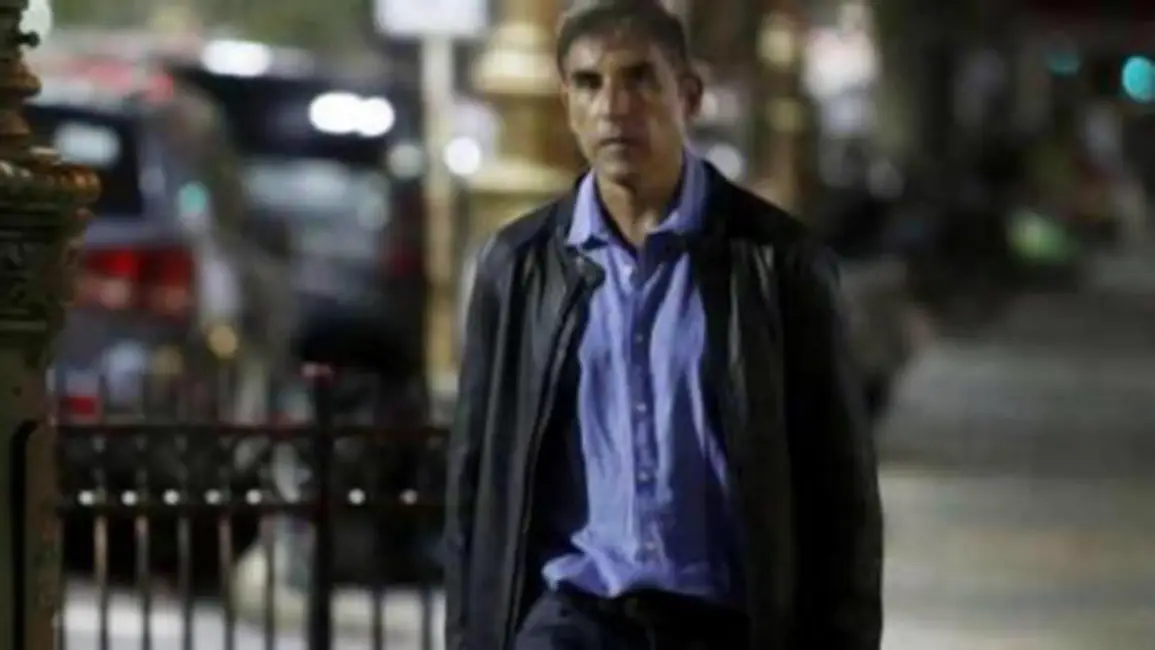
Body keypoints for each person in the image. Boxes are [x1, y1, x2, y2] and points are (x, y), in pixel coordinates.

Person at [444, 1, 883, 648]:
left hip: (721, 623)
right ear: (566, 103)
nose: (613, 107)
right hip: (571, 618)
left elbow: (839, 489)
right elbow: (477, 480)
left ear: (689, 95)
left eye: (639, 79)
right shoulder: (519, 267)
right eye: (589, 84)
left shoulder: (774, 263)